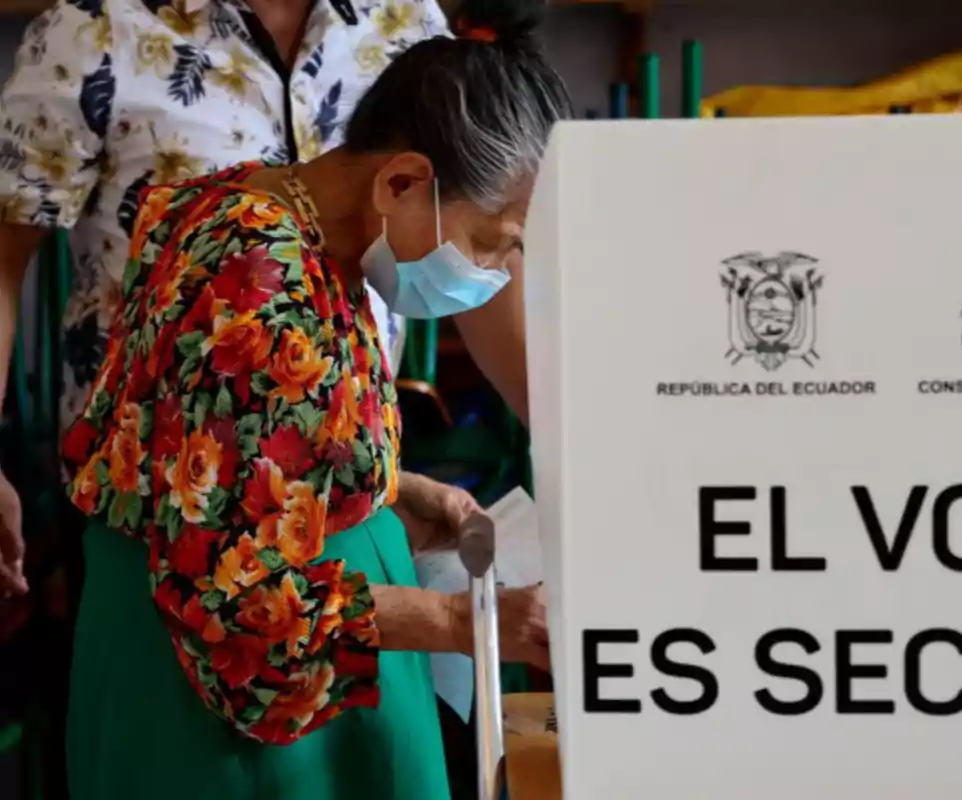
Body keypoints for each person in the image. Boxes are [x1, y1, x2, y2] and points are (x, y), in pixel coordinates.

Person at [58, 0, 570, 796]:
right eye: (488, 244)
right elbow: (231, 592)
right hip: (226, 694)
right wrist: (471, 622)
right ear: (402, 180)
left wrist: (392, 491)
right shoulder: (259, 280)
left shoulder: (269, 215)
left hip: (293, 629)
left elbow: (225, 442)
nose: (493, 275)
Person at [0, 0, 536, 597]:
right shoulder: (96, 28)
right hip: (154, 490)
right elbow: (3, 252)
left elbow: (475, 232)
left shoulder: (405, 21)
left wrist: (568, 438)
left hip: (339, 470)